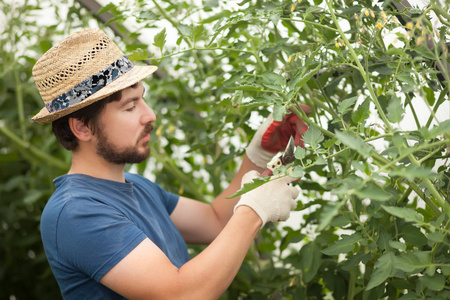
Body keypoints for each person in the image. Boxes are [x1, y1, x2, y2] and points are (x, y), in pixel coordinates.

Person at [32, 28, 310, 299]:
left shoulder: (138, 188)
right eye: (130, 107)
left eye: (143, 99)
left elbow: (216, 221)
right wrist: (255, 210)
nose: (149, 115)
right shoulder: (76, 212)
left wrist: (257, 158)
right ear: (82, 128)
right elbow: (182, 294)